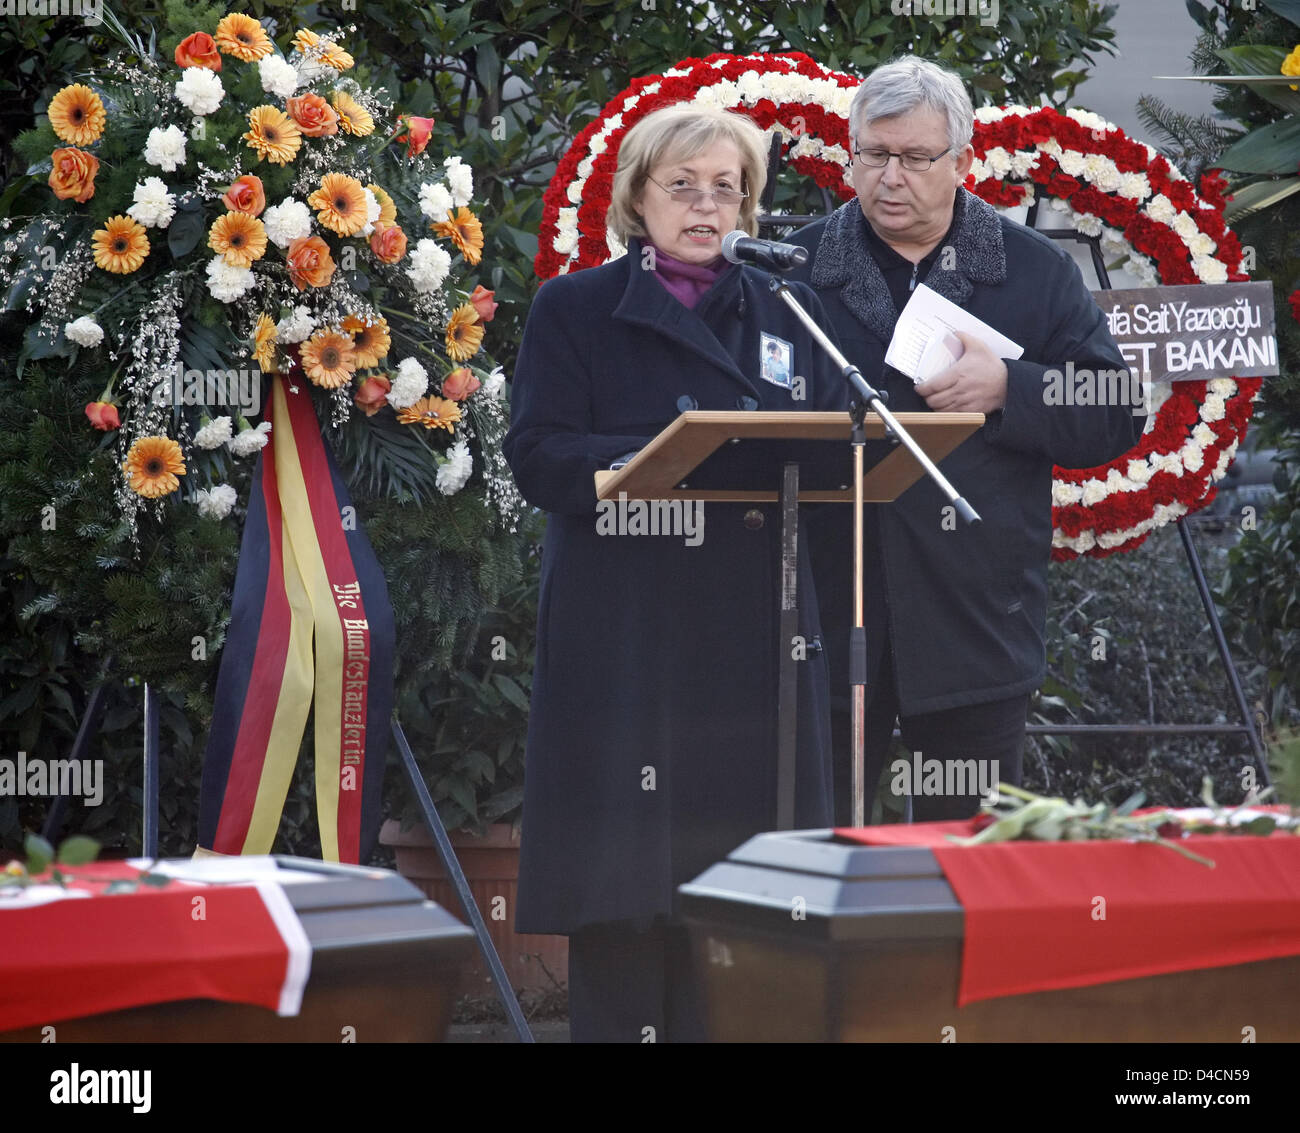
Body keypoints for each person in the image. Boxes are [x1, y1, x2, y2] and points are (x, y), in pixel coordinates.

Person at [503, 105, 846, 1043]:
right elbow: (537, 457)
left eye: (727, 187)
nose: (707, 204)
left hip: (755, 640)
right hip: (628, 637)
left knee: (735, 894)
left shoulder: (787, 310)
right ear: (636, 199)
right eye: (683, 185)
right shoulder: (573, 308)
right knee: (627, 882)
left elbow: (834, 448)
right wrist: (668, 453)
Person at [786, 57, 1140, 824]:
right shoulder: (799, 271)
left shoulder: (1033, 269)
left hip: (975, 615)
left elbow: (1114, 407)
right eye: (873, 155)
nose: (890, 177)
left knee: (968, 861)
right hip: (829, 610)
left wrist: (1013, 388)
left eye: (915, 158)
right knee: (814, 852)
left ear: (963, 162)